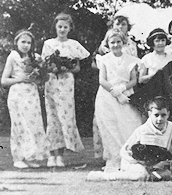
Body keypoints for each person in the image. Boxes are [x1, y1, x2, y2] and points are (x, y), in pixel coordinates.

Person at [87, 96, 172, 181]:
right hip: (134, 163)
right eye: (156, 115)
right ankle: (105, 176)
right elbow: (124, 151)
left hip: (154, 165)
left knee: (167, 175)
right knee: (141, 176)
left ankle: (151, 175)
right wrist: (141, 163)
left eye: (163, 115)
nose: (159, 119)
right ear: (149, 114)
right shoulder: (142, 130)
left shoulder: (171, 128)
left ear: (168, 114)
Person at [41, 12, 90, 167]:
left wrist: (65, 67)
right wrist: (54, 67)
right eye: (59, 26)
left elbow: (77, 68)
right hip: (52, 83)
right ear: (55, 27)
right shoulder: (48, 44)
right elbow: (45, 66)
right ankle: (51, 155)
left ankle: (60, 155)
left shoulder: (73, 45)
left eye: (65, 27)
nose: (62, 29)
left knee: (65, 117)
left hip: (67, 83)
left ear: (70, 28)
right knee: (52, 117)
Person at [94, 28, 143, 172]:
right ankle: (114, 160)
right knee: (110, 128)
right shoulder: (104, 59)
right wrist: (115, 92)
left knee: (129, 124)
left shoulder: (131, 60)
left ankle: (129, 159)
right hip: (107, 96)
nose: (115, 45)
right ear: (108, 43)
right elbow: (102, 80)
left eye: (118, 42)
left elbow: (134, 79)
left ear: (123, 42)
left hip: (126, 95)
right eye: (112, 42)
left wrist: (122, 89)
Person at [1, 30, 49, 169]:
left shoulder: (36, 58)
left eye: (29, 42)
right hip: (17, 94)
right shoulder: (13, 57)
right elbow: (4, 80)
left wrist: (37, 77)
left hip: (32, 95)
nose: (26, 45)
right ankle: (18, 158)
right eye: (23, 42)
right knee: (19, 125)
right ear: (16, 42)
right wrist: (19, 79)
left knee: (33, 125)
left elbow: (41, 78)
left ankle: (29, 157)